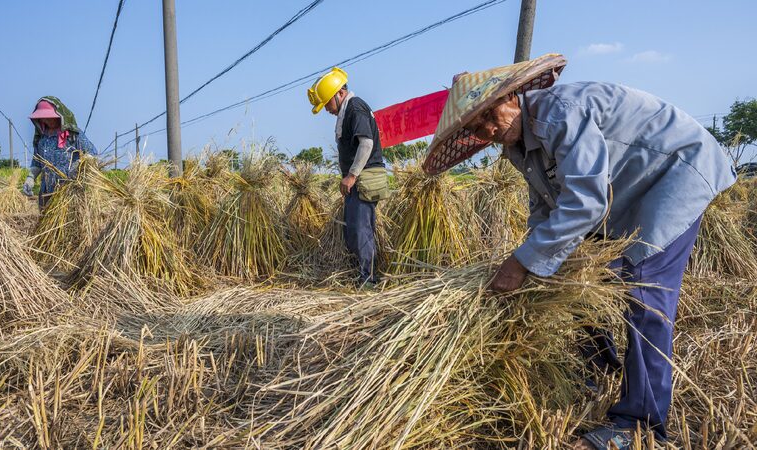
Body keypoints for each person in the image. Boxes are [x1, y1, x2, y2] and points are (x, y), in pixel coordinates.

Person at [423, 54, 737, 450]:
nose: (489, 128)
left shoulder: (558, 115)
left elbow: (585, 202)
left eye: (490, 114)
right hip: (624, 189)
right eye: (477, 127)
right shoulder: (519, 146)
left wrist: (522, 261)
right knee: (578, 277)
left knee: (645, 291)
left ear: (512, 97)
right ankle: (599, 364)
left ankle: (639, 424)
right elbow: (546, 206)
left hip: (676, 170)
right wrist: (534, 260)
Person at [307, 67, 386, 288]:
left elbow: (367, 143)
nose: (327, 110)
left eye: (326, 104)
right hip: (359, 180)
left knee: (361, 229)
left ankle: (368, 280)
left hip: (364, 179)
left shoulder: (355, 107)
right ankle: (363, 275)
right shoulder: (349, 109)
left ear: (339, 93)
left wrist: (351, 176)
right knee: (354, 228)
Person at [23, 96, 97, 208]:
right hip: (47, 191)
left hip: (70, 191)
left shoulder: (73, 135)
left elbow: (92, 153)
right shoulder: (42, 139)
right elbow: (37, 162)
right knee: (47, 222)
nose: (47, 120)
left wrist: (79, 165)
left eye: (50, 117)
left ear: (60, 116)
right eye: (43, 118)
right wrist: (30, 178)